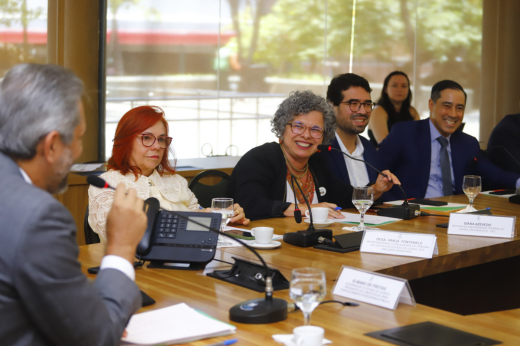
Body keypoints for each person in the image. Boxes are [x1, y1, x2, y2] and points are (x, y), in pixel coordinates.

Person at [0, 64, 147, 345]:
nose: (79, 151)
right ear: (52, 144)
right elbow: (96, 338)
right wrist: (121, 248)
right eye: (79, 138)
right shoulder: (37, 217)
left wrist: (89, 312)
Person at [227, 90, 399, 221]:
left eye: (316, 129)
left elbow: (344, 196)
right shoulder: (260, 158)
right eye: (298, 126)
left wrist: (376, 190)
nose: (307, 135)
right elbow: (250, 205)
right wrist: (306, 209)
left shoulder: (317, 162)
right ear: (282, 128)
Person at [89, 105, 249, 241]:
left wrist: (223, 220)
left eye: (161, 139)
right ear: (125, 141)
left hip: (185, 263)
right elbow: (117, 234)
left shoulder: (175, 181)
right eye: (146, 138)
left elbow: (198, 216)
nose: (156, 146)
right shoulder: (106, 184)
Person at [377, 80, 520, 201]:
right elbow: (376, 170)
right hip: (411, 215)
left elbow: (495, 174)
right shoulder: (404, 133)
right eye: (447, 106)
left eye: (459, 108)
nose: (453, 114)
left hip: (454, 214)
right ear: (431, 105)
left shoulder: (468, 143)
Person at [321, 73, 381, 187]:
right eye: (353, 104)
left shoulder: (369, 148)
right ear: (331, 107)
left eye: (367, 104)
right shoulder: (320, 148)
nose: (363, 111)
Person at [368, 71, 420, 147]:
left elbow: (420, 138)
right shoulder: (378, 111)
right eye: (394, 86)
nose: (399, 89)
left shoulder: (412, 111)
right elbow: (386, 144)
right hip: (380, 157)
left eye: (404, 86)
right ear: (386, 89)